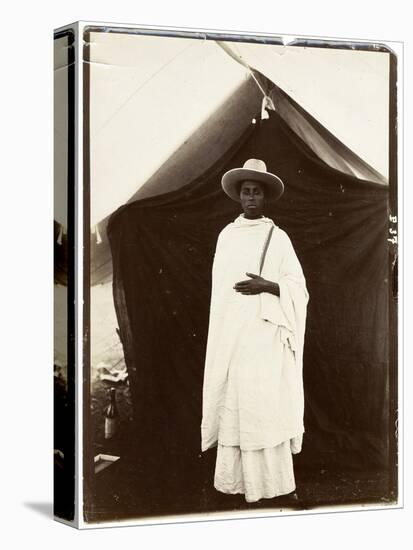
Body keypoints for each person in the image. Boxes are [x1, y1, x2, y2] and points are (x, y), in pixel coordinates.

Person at [201, 158, 309, 504]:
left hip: (266, 333)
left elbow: (299, 287)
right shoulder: (227, 236)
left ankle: (274, 485)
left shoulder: (278, 238)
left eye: (257, 192)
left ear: (265, 198)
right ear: (239, 196)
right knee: (236, 403)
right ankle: (235, 484)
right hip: (234, 336)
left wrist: (269, 285)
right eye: (246, 191)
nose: (251, 197)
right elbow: (221, 293)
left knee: (264, 403)